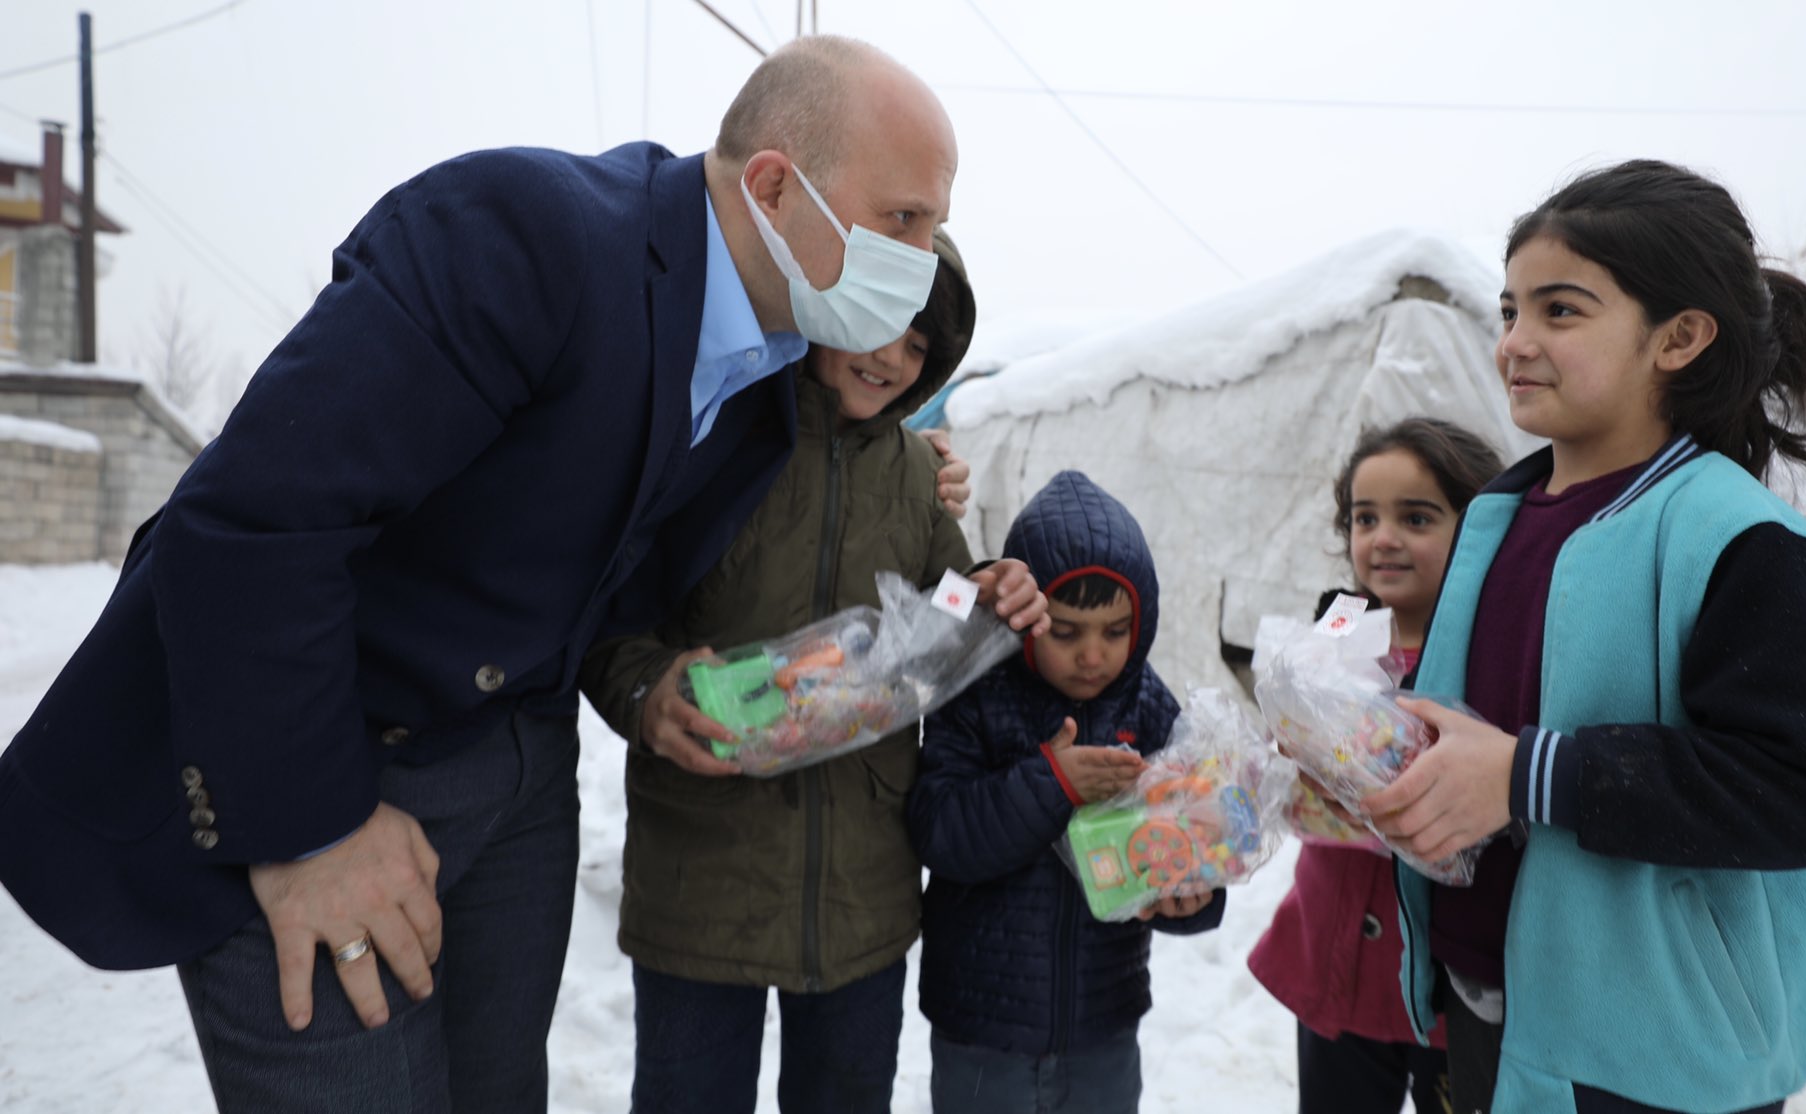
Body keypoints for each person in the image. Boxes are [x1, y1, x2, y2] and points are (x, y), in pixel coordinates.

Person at [0, 35, 1045, 1114]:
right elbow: (253, 521)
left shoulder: (767, 383)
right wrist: (308, 828)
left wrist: (655, 683)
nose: (921, 260)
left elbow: (620, 572)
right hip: (318, 764)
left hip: (511, 780)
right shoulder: (526, 234)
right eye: (903, 220)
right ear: (776, 188)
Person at [1361, 159, 1806, 1114]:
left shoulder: (1742, 540)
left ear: (1677, 338)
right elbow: (1484, 725)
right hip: (1492, 1021)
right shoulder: (1500, 517)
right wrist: (1362, 749)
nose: (1516, 341)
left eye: (1561, 311)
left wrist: (1525, 777)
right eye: (1509, 310)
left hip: (1653, 1061)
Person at [580, 230, 1044, 1114]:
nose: (895, 359)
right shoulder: (711, 438)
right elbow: (608, 621)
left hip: (861, 897)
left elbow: (944, 622)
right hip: (700, 883)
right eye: (884, 323)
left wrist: (993, 593)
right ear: (827, 305)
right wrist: (648, 696)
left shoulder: (917, 476)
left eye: (921, 346)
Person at [906, 470, 1225, 1114]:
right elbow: (941, 831)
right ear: (1027, 618)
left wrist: (1191, 895)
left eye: (1114, 631)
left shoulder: (1147, 704)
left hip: (1103, 1024)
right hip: (983, 1031)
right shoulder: (977, 691)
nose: (1092, 656)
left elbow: (1185, 841)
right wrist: (1051, 783)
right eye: (1067, 631)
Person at [1248, 417, 1502, 1114]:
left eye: (1415, 517)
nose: (1382, 538)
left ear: (1476, 527)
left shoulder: (1493, 655)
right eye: (1365, 518)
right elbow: (1292, 770)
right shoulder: (1325, 645)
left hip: (1449, 986)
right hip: (1336, 963)